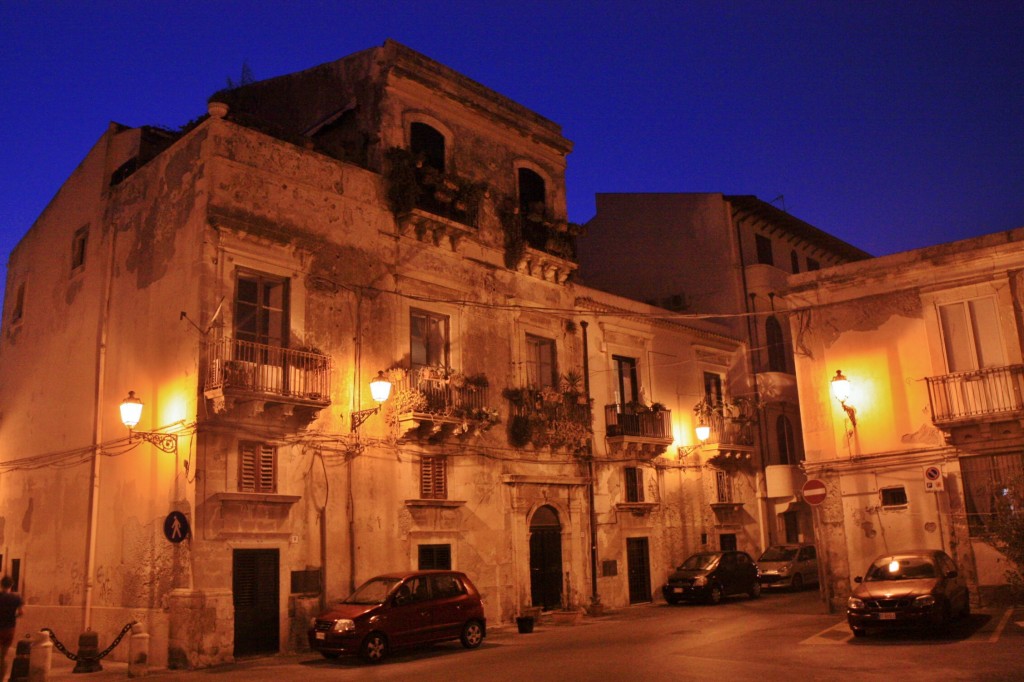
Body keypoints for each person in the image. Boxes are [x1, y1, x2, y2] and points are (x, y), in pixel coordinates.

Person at [0, 576, 24, 677]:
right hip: (10, 628)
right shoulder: (17, 598)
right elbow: (21, 612)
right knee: (3, 656)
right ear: (12, 585)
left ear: (1, 585)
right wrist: (13, 616)